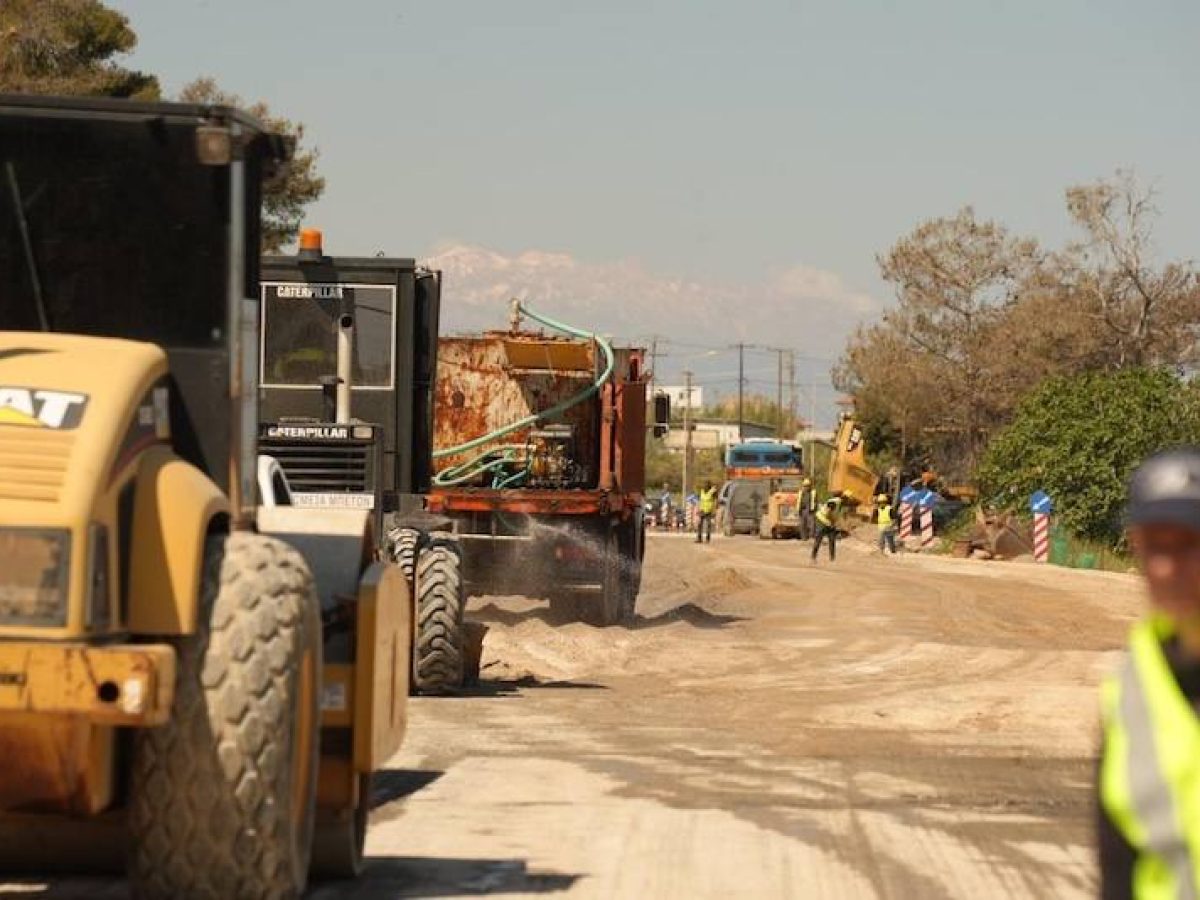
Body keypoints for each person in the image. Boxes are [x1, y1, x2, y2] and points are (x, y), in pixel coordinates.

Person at [1098, 447, 1200, 899]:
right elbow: (1117, 861)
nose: (1168, 567)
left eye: (1191, 543)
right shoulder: (1133, 685)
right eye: (1156, 545)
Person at [811, 491, 844, 563]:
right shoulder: (835, 502)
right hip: (821, 521)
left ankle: (832, 559)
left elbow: (835, 514)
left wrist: (834, 523)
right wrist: (831, 521)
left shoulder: (840, 503)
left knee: (832, 540)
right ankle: (813, 557)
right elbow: (828, 512)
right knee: (819, 539)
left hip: (829, 523)